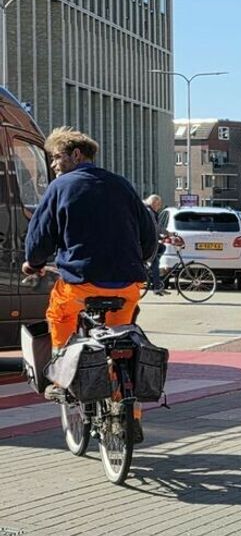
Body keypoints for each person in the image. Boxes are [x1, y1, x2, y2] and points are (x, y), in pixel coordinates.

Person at [23, 128, 158, 433]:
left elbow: (40, 236)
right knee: (121, 333)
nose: (54, 165)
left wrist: (33, 264)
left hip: (82, 284)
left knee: (58, 314)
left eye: (57, 157)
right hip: (128, 284)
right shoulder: (122, 185)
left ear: (76, 155)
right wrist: (142, 261)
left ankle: (59, 378)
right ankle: (130, 414)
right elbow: (148, 236)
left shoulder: (61, 188)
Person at [144, 194, 167, 293]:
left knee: (162, 248)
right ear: (153, 203)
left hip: (149, 241)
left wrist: (161, 236)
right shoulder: (150, 212)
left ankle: (152, 273)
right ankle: (156, 286)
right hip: (147, 243)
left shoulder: (151, 212)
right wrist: (168, 233)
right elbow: (155, 227)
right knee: (155, 261)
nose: (159, 207)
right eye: (158, 204)